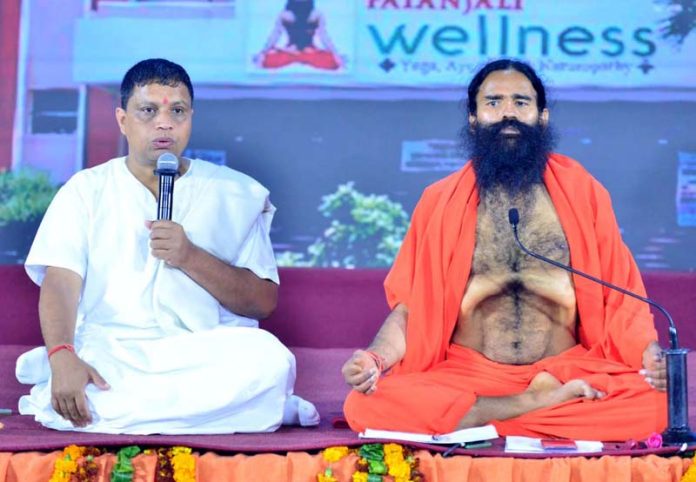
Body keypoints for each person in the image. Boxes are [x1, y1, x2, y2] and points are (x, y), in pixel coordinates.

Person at [342, 59, 667, 441]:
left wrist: (650, 355)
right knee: (364, 404)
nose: (507, 113)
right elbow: (412, 309)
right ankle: (535, 405)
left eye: (521, 102)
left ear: (541, 117)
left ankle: (482, 419)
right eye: (493, 102)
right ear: (474, 118)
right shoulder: (440, 201)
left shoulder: (584, 194)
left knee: (658, 406)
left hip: (563, 368)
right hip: (470, 373)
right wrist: (374, 359)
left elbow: (622, 302)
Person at [16, 58, 319, 434]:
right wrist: (61, 356)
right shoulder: (86, 189)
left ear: (191, 117)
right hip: (115, 351)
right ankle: (250, 411)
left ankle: (232, 407)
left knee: (269, 360)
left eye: (177, 111)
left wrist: (189, 256)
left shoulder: (236, 192)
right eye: (148, 110)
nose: (164, 123)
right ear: (123, 120)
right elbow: (60, 282)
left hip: (200, 350)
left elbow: (261, 302)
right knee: (84, 386)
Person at [254, 0, 343, 70]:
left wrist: (335, 53)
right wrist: (263, 52)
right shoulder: (285, 15)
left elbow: (323, 36)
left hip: (303, 51)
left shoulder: (316, 14)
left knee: (332, 61)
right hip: (294, 51)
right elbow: (275, 36)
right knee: (266, 60)